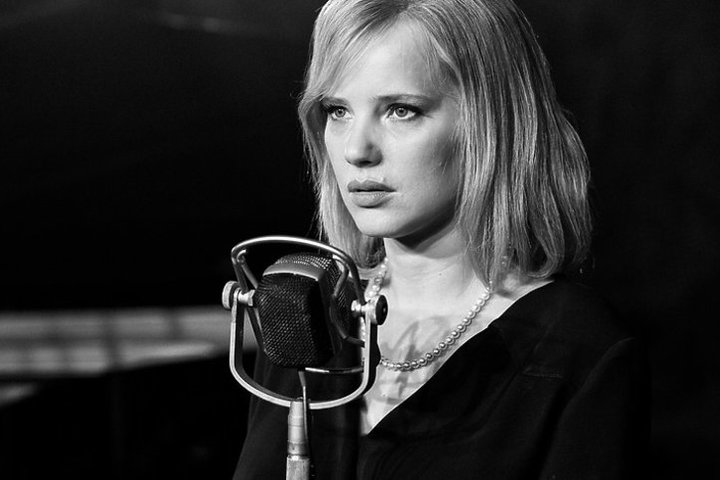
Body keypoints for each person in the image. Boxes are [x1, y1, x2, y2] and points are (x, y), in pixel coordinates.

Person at [235, 0, 649, 478]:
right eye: (337, 110)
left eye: (401, 110)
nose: (356, 150)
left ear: (491, 121)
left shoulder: (576, 352)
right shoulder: (301, 314)